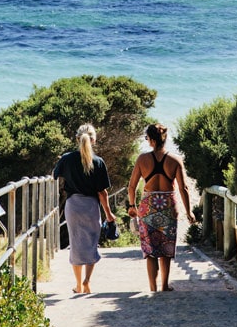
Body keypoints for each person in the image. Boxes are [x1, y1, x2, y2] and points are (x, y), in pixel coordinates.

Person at [127, 122, 195, 292]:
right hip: (168, 206)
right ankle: (164, 285)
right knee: (166, 246)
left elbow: (132, 186)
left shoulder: (142, 159)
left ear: (150, 140)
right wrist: (189, 211)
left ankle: (152, 287)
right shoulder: (175, 160)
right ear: (165, 139)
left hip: (148, 206)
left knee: (150, 249)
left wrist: (132, 206)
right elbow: (183, 188)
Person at [53, 123, 116, 294]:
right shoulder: (98, 162)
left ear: (76, 139)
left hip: (73, 205)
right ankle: (87, 281)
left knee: (75, 244)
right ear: (94, 140)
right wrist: (109, 215)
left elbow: (54, 175)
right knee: (91, 244)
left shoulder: (66, 158)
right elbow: (102, 193)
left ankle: (78, 284)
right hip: (91, 206)